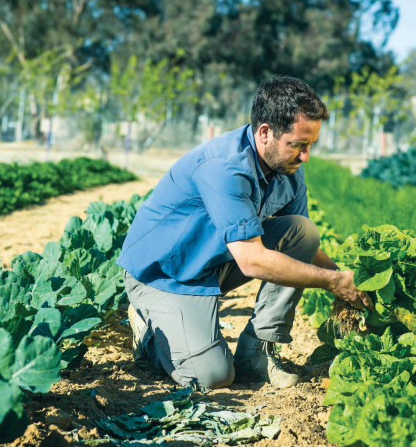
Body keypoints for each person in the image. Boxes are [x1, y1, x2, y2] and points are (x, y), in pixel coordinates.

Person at [116, 76, 372, 390]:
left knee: (302, 232)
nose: (306, 156)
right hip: (164, 276)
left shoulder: (287, 169)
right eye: (298, 145)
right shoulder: (224, 167)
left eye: (310, 145)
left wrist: (347, 282)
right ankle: (149, 333)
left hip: (212, 263)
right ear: (265, 132)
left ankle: (257, 352)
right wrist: (332, 282)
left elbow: (301, 244)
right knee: (213, 376)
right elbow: (252, 261)